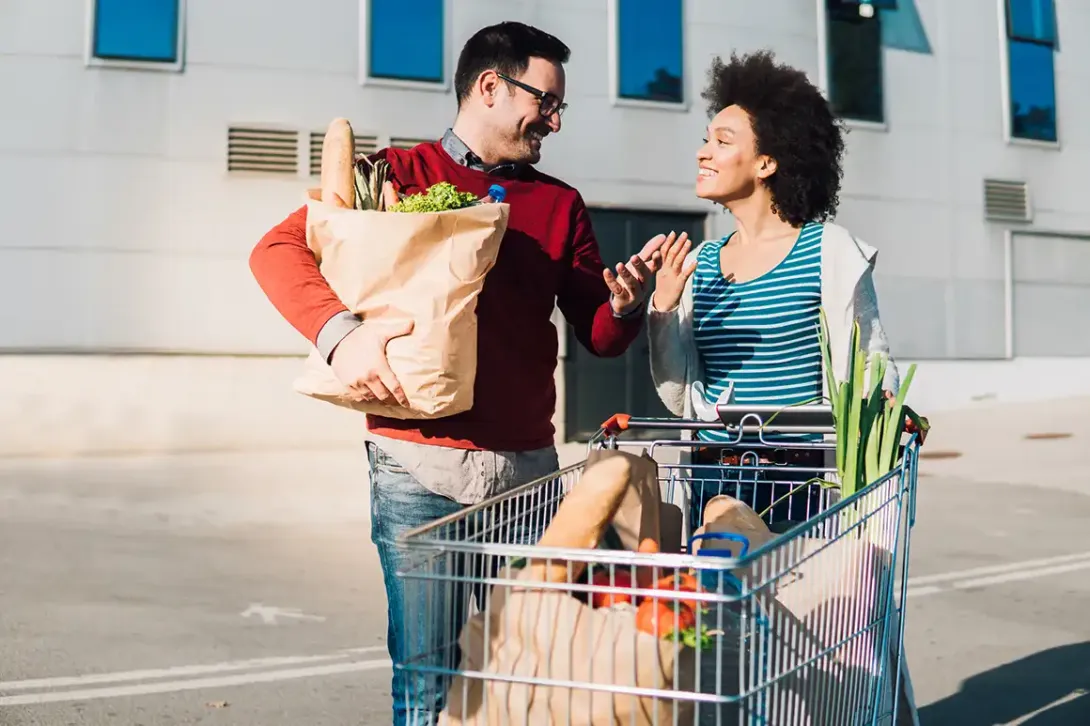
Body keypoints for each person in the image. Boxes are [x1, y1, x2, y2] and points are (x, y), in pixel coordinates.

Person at [249, 21, 666, 724]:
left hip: (529, 477)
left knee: (534, 669)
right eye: (548, 101)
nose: (556, 122)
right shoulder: (393, 175)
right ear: (491, 87)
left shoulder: (560, 205)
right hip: (418, 470)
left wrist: (625, 305)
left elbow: (599, 337)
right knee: (428, 681)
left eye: (562, 108)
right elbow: (277, 250)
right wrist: (341, 337)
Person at [647, 49, 902, 532]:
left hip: (803, 483)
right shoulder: (699, 262)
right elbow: (677, 396)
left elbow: (872, 363)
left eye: (722, 141)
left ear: (766, 162)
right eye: (706, 140)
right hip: (714, 474)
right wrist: (662, 307)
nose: (703, 152)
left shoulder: (827, 250)